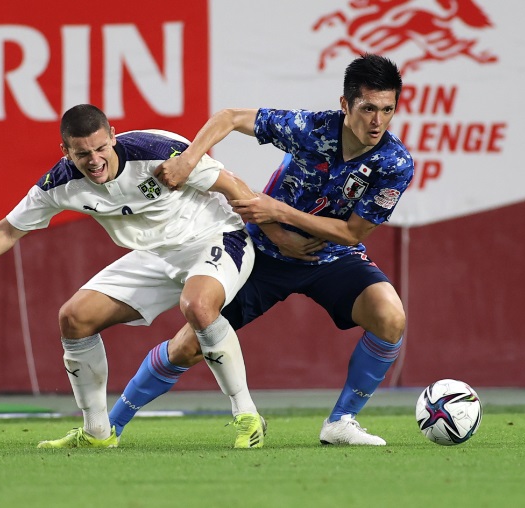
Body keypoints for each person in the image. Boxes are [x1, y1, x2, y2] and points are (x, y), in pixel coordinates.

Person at [0, 104, 308, 449]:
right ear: (66, 151)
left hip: (214, 237)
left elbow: (232, 186)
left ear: (113, 136)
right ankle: (97, 432)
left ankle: (247, 415)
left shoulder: (155, 152)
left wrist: (275, 234)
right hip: (154, 255)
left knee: (198, 305)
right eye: (82, 153)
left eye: (101, 148)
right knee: (74, 318)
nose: (95, 160)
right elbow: (7, 230)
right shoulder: (60, 183)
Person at [108, 53, 414, 446]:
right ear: (345, 104)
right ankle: (109, 426)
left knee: (390, 316)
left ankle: (341, 422)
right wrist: (187, 160)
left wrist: (280, 212)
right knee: (187, 346)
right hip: (262, 253)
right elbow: (229, 118)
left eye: (387, 110)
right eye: (368, 108)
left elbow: (353, 233)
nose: (377, 121)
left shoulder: (394, 163)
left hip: (330, 258)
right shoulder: (311, 129)